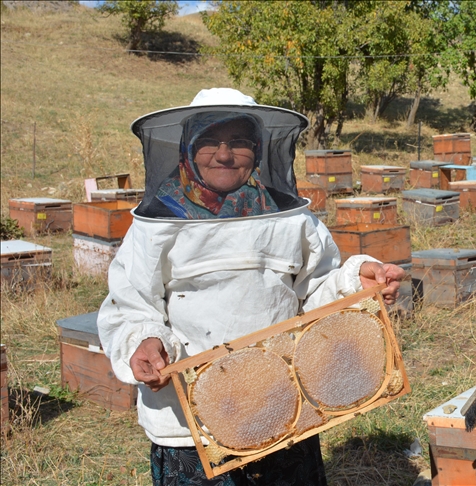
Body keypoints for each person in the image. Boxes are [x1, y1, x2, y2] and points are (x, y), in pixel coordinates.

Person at [97, 88, 404, 485]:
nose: (224, 155)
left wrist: (354, 283)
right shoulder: (157, 226)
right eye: (209, 141)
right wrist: (144, 341)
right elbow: (130, 306)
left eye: (239, 142)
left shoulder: (289, 219)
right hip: (192, 423)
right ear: (187, 149)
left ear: (258, 151)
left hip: (282, 404)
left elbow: (315, 292)